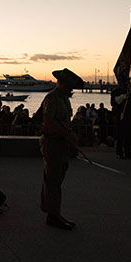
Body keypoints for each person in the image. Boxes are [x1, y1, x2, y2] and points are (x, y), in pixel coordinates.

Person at [40, 68, 84, 230]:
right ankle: (53, 215)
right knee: (52, 179)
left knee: (57, 177)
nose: (71, 89)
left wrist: (69, 136)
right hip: (53, 142)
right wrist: (66, 135)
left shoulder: (64, 99)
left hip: (60, 142)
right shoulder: (52, 98)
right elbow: (48, 120)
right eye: (70, 86)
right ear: (62, 84)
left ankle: (54, 212)